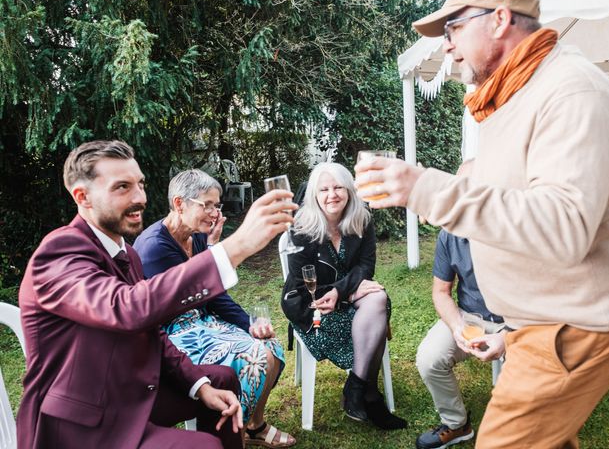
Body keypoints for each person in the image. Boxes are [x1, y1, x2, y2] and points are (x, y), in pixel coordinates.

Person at [354, 0, 609, 447]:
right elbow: (510, 204)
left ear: (500, 18)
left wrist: (427, 189)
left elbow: (564, 227)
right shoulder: (515, 95)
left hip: (576, 323)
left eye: (453, 29)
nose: (446, 45)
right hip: (536, 322)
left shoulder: (572, 92)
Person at [17, 140, 296, 449]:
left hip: (129, 391)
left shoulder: (127, 254)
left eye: (140, 184)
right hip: (82, 424)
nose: (140, 198)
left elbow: (151, 332)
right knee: (204, 447)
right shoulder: (59, 254)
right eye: (122, 187)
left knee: (223, 380)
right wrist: (235, 247)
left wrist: (199, 384)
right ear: (82, 197)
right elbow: (128, 308)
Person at [134, 169, 294, 448]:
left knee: (270, 346)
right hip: (170, 330)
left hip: (202, 317)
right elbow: (186, 300)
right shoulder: (154, 248)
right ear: (179, 203)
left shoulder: (195, 235)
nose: (213, 212)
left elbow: (213, 296)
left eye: (216, 205)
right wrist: (217, 251)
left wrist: (248, 324)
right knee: (253, 354)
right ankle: (231, 429)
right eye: (206, 205)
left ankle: (253, 424)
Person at [281, 162, 406, 430]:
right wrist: (345, 293)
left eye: (338, 187)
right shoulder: (300, 228)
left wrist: (342, 291)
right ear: (315, 194)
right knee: (374, 310)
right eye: (324, 189)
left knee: (378, 299)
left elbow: (366, 266)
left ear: (349, 190)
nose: (331, 195)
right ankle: (369, 394)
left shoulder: (361, 219)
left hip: (343, 297)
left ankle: (357, 387)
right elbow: (306, 285)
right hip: (314, 307)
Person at [415, 229, 505, 449]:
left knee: (531, 374)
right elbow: (441, 292)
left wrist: (507, 336)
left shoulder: (514, 228)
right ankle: (457, 424)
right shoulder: (449, 234)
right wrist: (457, 326)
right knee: (429, 358)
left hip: (517, 320)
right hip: (469, 316)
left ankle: (525, 427)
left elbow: (544, 297)